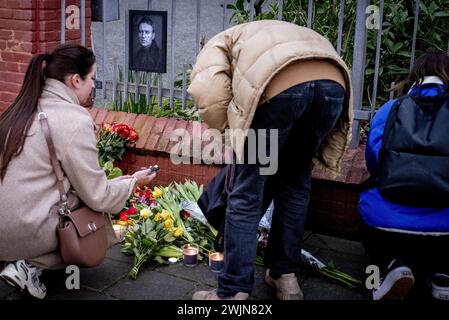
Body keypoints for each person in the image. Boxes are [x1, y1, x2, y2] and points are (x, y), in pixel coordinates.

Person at [187, 20, 353, 300]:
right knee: (296, 182)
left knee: (246, 193)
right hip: (333, 86)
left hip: (281, 86)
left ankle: (232, 292)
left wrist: (232, 138)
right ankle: (285, 279)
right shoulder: (266, 33)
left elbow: (210, 93)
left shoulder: (218, 42)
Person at [0, 44, 157, 299]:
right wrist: (132, 183)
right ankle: (30, 264)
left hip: (4, 225)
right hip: (19, 230)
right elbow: (98, 196)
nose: (93, 85)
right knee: (88, 209)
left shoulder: (19, 108)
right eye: (91, 78)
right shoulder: (73, 120)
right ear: (75, 80)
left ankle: (20, 259)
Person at [359, 52, 449, 300]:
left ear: (415, 76)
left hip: (387, 221)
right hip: (445, 223)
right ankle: (442, 275)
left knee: (368, 197)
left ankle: (393, 264)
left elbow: (374, 160)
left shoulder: (391, 108)